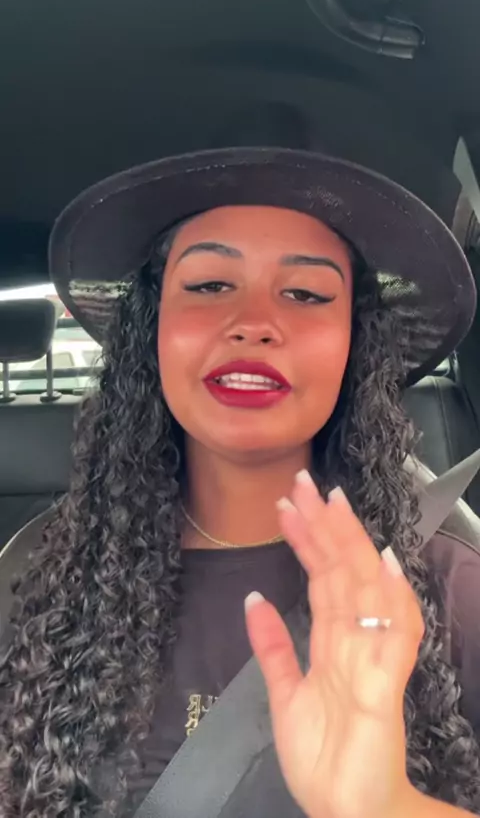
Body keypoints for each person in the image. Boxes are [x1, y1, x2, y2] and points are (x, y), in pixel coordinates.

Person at [0, 147, 479, 818]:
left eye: (306, 294)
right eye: (208, 285)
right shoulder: (38, 576)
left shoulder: (449, 586)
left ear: (355, 342)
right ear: (152, 328)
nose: (254, 322)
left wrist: (386, 803)